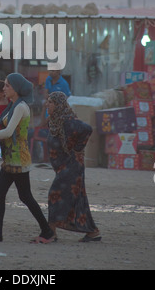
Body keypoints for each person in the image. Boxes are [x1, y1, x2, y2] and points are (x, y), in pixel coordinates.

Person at [0, 73, 56, 244]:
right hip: (11, 157)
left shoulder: (20, 107)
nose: (4, 88)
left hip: (18, 158)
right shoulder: (14, 105)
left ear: (16, 88)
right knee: (2, 193)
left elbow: (8, 132)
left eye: (7, 85)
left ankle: (47, 231)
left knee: (24, 196)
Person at [46, 91, 101, 242]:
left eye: (50, 102)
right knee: (78, 199)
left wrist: (78, 148)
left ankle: (51, 231)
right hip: (62, 166)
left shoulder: (68, 122)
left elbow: (87, 129)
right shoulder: (53, 121)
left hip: (71, 166)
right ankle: (92, 232)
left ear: (59, 105)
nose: (47, 104)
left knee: (54, 193)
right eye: (48, 101)